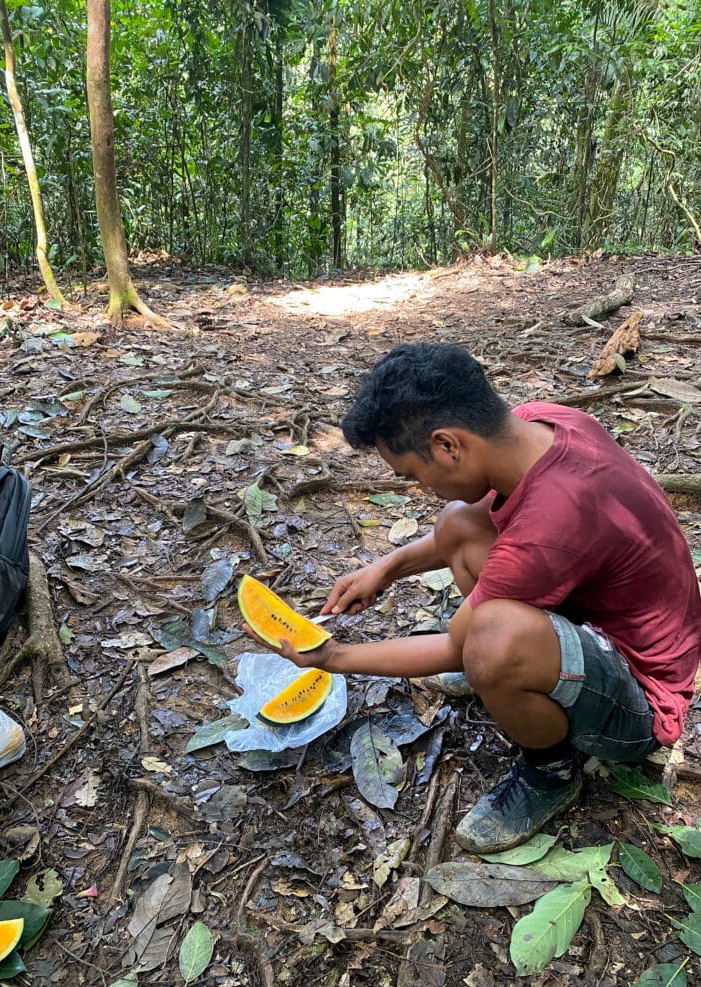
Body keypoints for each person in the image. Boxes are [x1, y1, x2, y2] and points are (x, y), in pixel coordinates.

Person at [244, 343, 701, 853]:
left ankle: (550, 772)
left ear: (447, 445)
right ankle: (515, 679)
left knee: (492, 641)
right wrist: (386, 567)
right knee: (460, 522)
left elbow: (453, 647)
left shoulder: (553, 523)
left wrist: (333, 658)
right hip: (605, 624)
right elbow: (465, 532)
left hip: (641, 704)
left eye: (413, 475)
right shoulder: (538, 424)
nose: (418, 487)